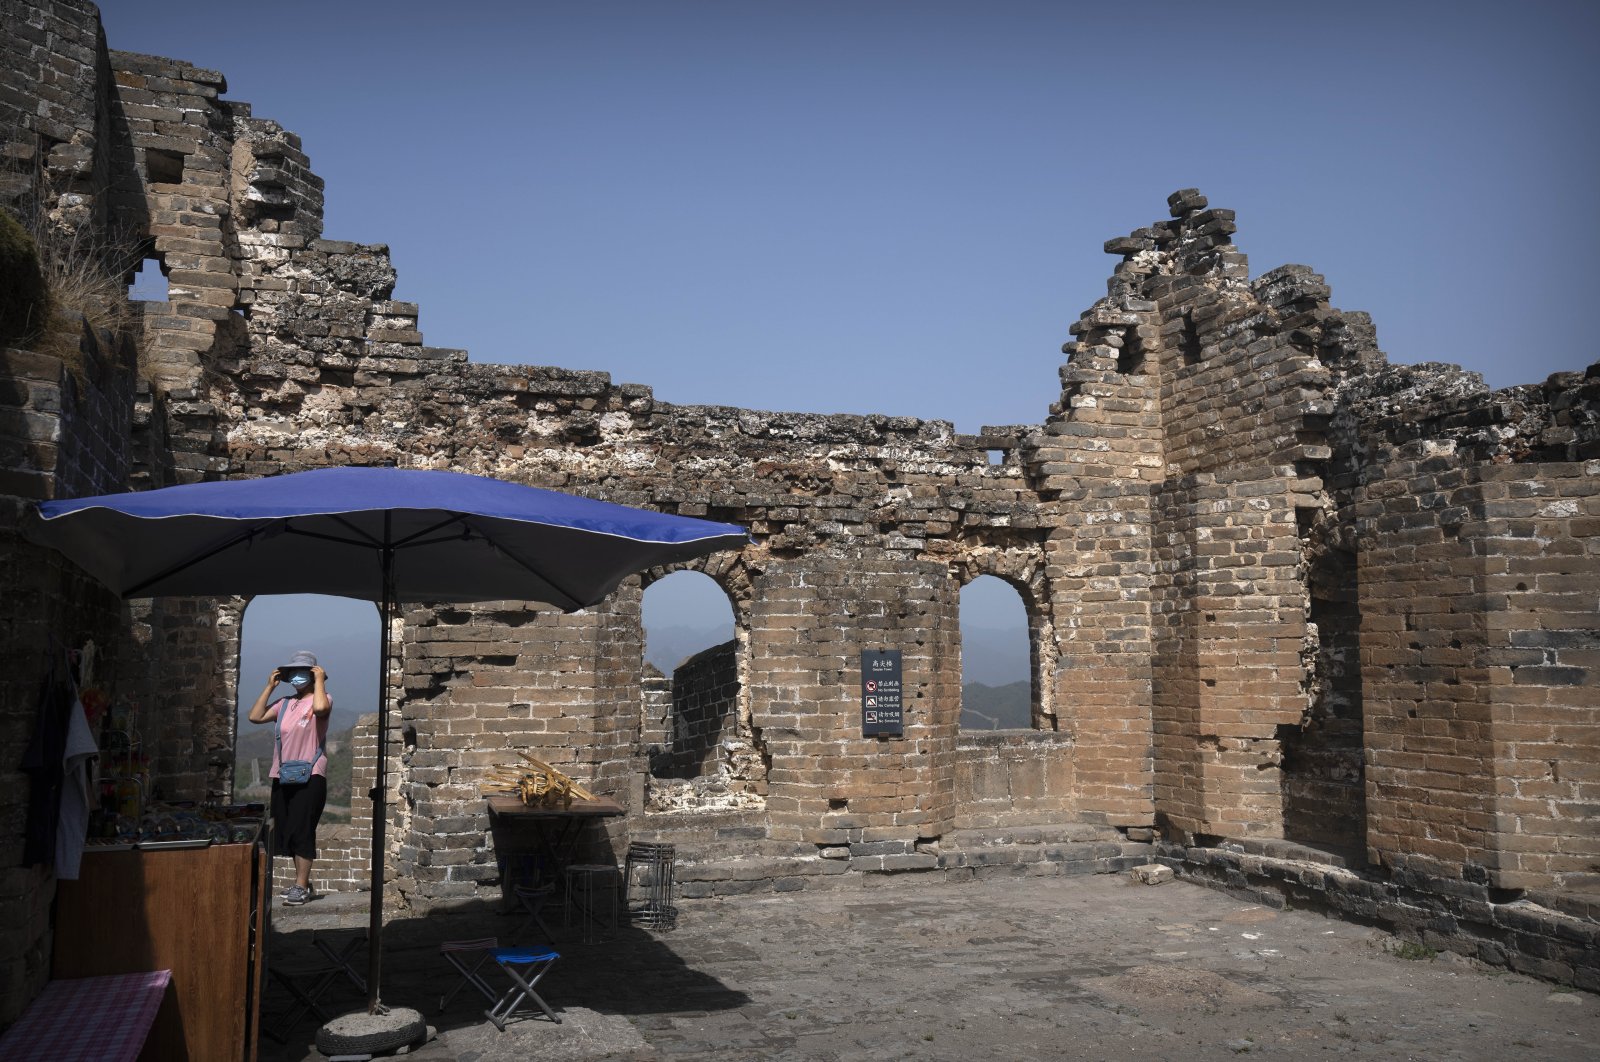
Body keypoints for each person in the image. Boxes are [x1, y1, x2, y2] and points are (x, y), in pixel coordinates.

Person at [248, 649, 332, 905]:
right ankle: (302, 883)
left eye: (302, 672)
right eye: (293, 672)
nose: (297, 676)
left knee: (303, 829)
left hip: (311, 774)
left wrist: (319, 681)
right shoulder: (284, 704)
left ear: (312, 674)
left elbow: (319, 709)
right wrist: (269, 687)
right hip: (283, 774)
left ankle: (301, 886)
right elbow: (255, 716)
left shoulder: (323, 698)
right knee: (288, 830)